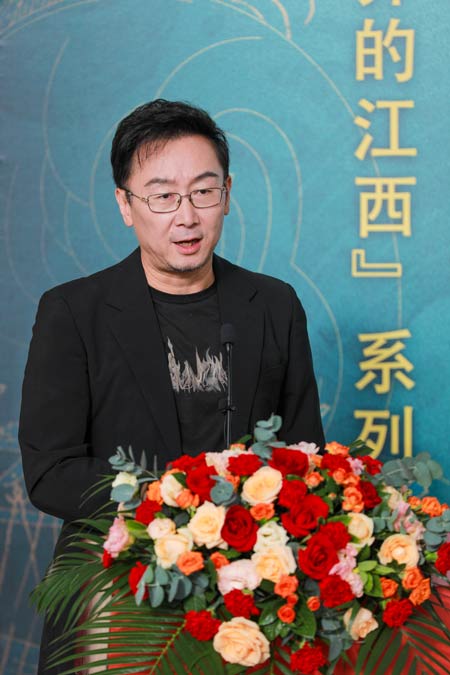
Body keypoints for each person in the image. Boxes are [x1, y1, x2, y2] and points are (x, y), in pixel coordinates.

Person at [19, 99, 324, 673]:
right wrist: (179, 502)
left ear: (227, 195)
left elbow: (305, 455)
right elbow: (50, 472)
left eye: (203, 191)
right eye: (162, 196)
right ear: (125, 204)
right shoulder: (74, 313)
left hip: (247, 597)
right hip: (118, 596)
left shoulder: (272, 305)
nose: (186, 216)